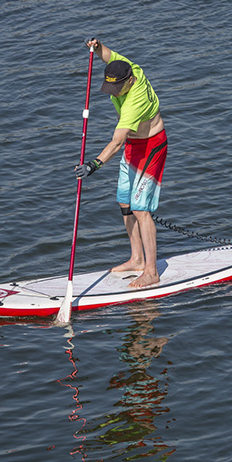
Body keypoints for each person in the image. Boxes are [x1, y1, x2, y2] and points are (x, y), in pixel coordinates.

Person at [75, 37, 168, 288]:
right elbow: (109, 55)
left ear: (130, 81)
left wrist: (93, 164)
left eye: (118, 89)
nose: (114, 93)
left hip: (151, 147)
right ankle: (137, 259)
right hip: (133, 147)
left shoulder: (134, 103)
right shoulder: (128, 67)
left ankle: (151, 272)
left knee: (140, 209)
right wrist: (97, 45)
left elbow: (116, 142)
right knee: (124, 201)